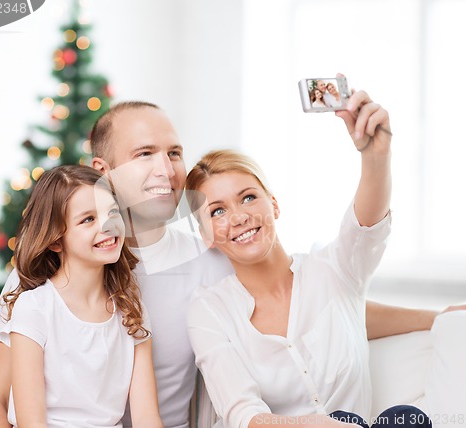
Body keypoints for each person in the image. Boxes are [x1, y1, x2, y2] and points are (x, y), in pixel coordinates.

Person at [0, 101, 450, 428]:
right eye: (144, 155)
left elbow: (317, 306)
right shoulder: (51, 275)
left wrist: (439, 319)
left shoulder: (212, 260)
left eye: (174, 152)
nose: (167, 169)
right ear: (103, 171)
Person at [184, 91, 431, 427]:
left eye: (248, 197)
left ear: (274, 204)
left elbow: (365, 228)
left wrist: (376, 157)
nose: (239, 217)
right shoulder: (209, 310)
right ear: (206, 234)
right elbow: (243, 414)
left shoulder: (333, 271)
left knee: (406, 420)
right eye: (218, 211)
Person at [0, 165, 162, 427]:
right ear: (55, 241)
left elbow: (146, 417)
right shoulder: (35, 308)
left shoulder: (132, 309)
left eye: (112, 212)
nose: (107, 225)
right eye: (88, 219)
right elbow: (33, 423)